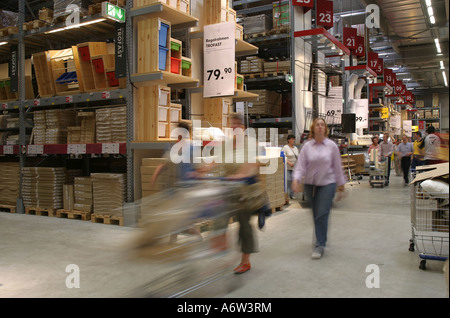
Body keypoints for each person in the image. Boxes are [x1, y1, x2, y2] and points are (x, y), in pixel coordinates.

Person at [196, 113, 262, 274]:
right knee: (219, 218)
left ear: (244, 128)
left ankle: (245, 261)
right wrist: (202, 170)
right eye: (232, 125)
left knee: (244, 225)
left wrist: (241, 175)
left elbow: (253, 163)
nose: (234, 128)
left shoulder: (251, 144)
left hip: (246, 191)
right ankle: (220, 249)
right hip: (228, 187)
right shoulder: (225, 145)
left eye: (237, 125)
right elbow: (215, 161)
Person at [291, 117, 346, 259]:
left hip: (328, 183)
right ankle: (320, 237)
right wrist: (296, 179)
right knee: (316, 214)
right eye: (317, 125)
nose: (320, 127)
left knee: (322, 213)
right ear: (313, 128)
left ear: (325, 128)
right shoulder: (307, 146)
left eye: (322, 125)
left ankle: (320, 244)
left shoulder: (332, 146)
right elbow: (301, 165)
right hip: (310, 184)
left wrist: (341, 185)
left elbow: (337, 167)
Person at [282, 135, 299, 199]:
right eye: (292, 139)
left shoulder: (295, 148)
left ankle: (291, 195)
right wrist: (289, 163)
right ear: (288, 140)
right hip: (287, 167)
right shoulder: (285, 147)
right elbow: (283, 157)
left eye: (294, 139)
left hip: (295, 167)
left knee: (293, 181)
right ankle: (286, 194)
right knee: (288, 179)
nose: (293, 140)